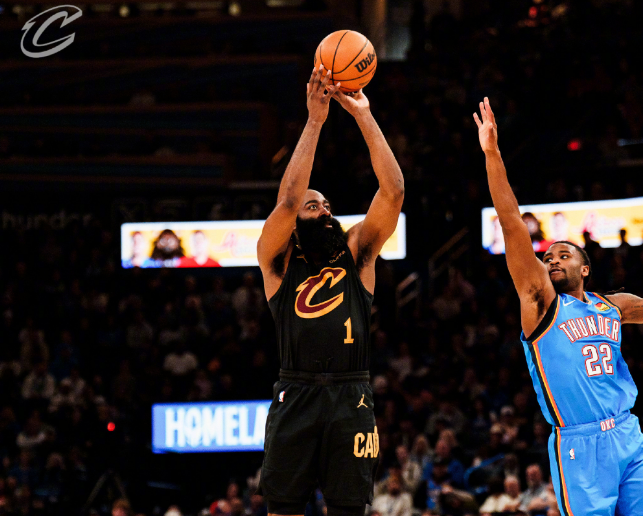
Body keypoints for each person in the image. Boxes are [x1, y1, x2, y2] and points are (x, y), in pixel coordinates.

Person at [474, 96, 643, 515]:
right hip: (579, 444)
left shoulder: (613, 306)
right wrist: (493, 154)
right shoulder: (541, 303)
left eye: (563, 255)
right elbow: (512, 224)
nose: (552, 260)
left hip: (629, 432)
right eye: (548, 256)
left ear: (585, 269)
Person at [256, 64, 404, 516]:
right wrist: (315, 121)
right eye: (313, 205)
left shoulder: (356, 253)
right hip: (295, 392)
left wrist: (364, 116)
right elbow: (287, 199)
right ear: (295, 222)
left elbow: (393, 191)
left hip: (351, 395)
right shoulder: (278, 260)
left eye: (327, 205)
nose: (324, 211)